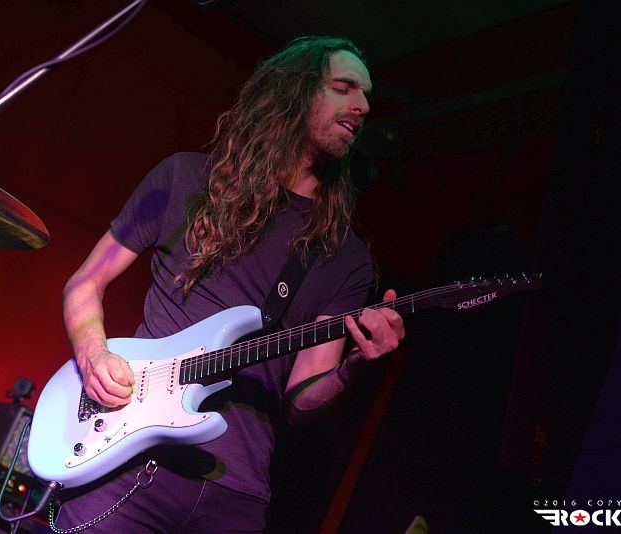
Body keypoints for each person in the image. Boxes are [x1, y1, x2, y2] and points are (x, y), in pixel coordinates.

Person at [55, 35, 405, 533]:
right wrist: (94, 354)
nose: (363, 106)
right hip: (128, 461)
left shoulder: (343, 256)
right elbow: (86, 281)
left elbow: (302, 398)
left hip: (236, 492)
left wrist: (355, 368)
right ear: (295, 91)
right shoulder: (183, 179)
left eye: (366, 95)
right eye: (344, 87)